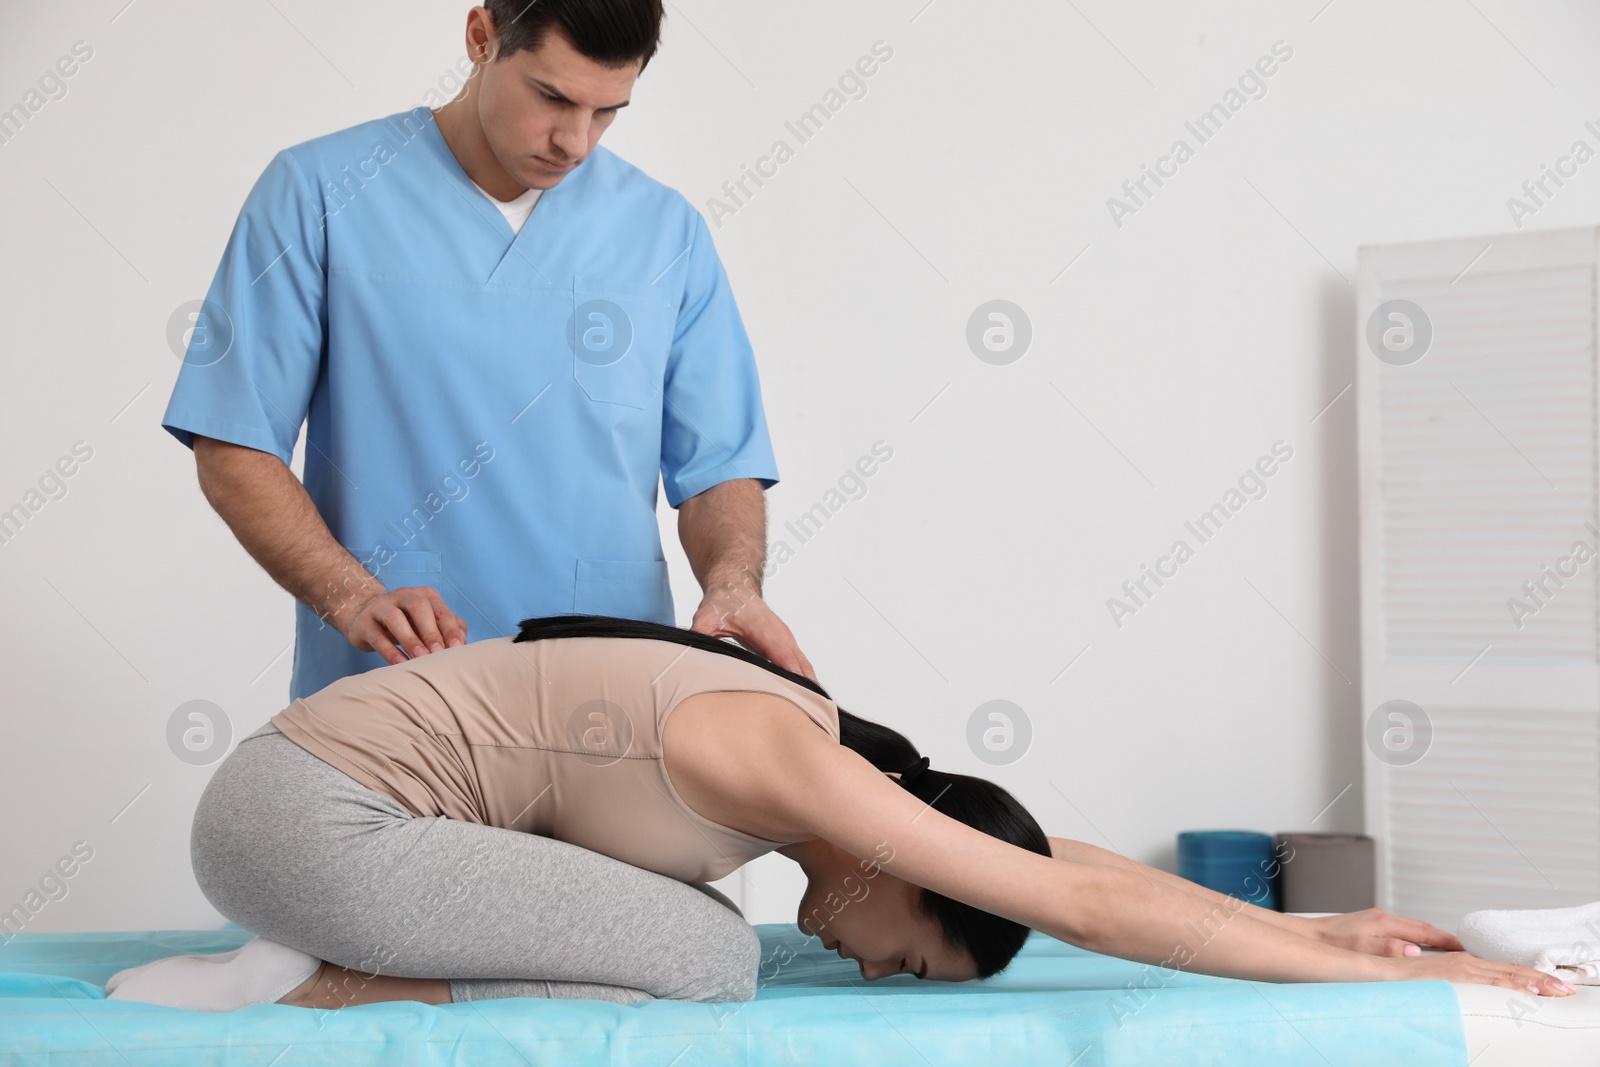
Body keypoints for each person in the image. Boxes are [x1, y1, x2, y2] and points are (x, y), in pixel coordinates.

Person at [106, 615, 1575, 1012]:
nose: (873, 965)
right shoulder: (801, 768)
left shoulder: (848, 779)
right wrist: (1434, 975)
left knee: (692, 918)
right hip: (305, 824)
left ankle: (312, 951)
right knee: (711, 954)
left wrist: (1317, 922)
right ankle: (310, 972)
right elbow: (1090, 905)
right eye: (912, 958)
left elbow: (1054, 861)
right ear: (900, 862)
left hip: (306, 805)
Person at [159, 0, 814, 706]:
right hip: (393, 693)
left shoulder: (665, 232)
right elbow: (233, 441)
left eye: (607, 111)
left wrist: (733, 581)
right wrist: (351, 598)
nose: (575, 141)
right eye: (552, 96)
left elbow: (719, 465)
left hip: (607, 699)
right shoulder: (319, 193)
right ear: (481, 38)